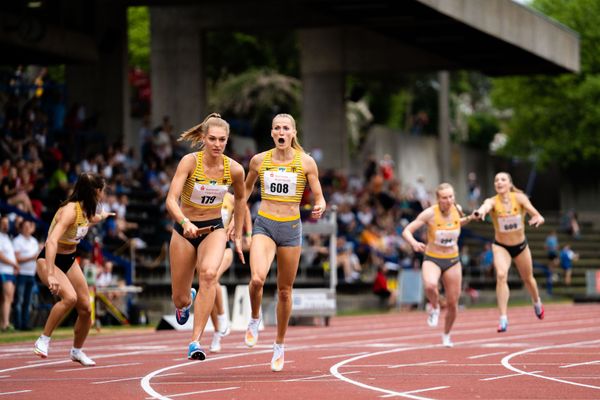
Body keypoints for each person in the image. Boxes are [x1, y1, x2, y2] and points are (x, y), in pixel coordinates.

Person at [242, 113, 325, 371]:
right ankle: (255, 318)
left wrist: (320, 205)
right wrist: (235, 214)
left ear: (293, 133)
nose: (281, 131)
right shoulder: (259, 160)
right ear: (272, 133)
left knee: (285, 291)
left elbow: (319, 196)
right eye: (277, 128)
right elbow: (244, 191)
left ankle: (279, 344)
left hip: (291, 229)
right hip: (265, 224)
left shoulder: (306, 162)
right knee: (257, 279)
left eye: (285, 128)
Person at [165, 113, 246, 361]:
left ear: (227, 140)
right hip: (185, 230)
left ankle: (195, 341)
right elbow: (170, 200)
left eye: (222, 140)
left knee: (209, 274)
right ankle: (186, 300)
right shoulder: (189, 162)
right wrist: (184, 221)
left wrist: (237, 227)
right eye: (212, 139)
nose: (217, 144)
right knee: (178, 299)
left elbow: (242, 198)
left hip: (213, 228)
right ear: (203, 138)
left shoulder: (234, 169)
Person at [33, 173, 114, 365]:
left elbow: (92, 218)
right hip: (49, 260)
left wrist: (104, 216)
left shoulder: (87, 209)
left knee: (86, 309)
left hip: (69, 259)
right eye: (102, 190)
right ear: (96, 191)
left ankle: (77, 351)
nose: (103, 194)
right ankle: (43, 339)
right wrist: (51, 274)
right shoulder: (70, 210)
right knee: (70, 298)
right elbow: (51, 241)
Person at [402, 183, 474, 347]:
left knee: (453, 304)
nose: (448, 200)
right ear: (438, 199)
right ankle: (434, 307)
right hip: (432, 258)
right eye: (444, 198)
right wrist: (414, 243)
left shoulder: (457, 209)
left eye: (451, 197)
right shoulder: (430, 213)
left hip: (453, 260)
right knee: (430, 285)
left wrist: (469, 218)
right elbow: (406, 230)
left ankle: (447, 335)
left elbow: (457, 223)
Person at [474, 172, 545, 333]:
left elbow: (537, 214)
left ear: (509, 183)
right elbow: (484, 207)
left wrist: (538, 218)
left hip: (520, 246)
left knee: (528, 279)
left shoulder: (519, 199)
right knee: (500, 275)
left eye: (502, 179)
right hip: (501, 246)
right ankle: (503, 318)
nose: (499, 182)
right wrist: (481, 212)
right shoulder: (492, 201)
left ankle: (536, 301)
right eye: (496, 180)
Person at [208, 192, 252, 353]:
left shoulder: (231, 198)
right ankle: (217, 333)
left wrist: (247, 234)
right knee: (208, 289)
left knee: (212, 279)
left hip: (225, 247)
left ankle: (222, 317)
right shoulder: (205, 195)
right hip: (205, 247)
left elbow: (245, 210)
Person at [13, 220, 41, 330]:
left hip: (31, 274)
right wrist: (32, 257)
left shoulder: (34, 241)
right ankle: (18, 324)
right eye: (25, 226)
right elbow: (17, 259)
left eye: (29, 226)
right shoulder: (17, 241)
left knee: (28, 301)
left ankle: (25, 324)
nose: (27, 228)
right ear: (21, 228)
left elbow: (37, 257)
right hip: (21, 273)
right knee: (19, 300)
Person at [0, 214, 18, 332]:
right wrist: (14, 264)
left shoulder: (7, 237)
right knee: (7, 297)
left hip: (10, 271)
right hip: (4, 270)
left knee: (7, 299)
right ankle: (6, 323)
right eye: (4, 223)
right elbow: (1, 255)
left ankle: (3, 324)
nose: (6, 225)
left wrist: (14, 266)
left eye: (7, 223)